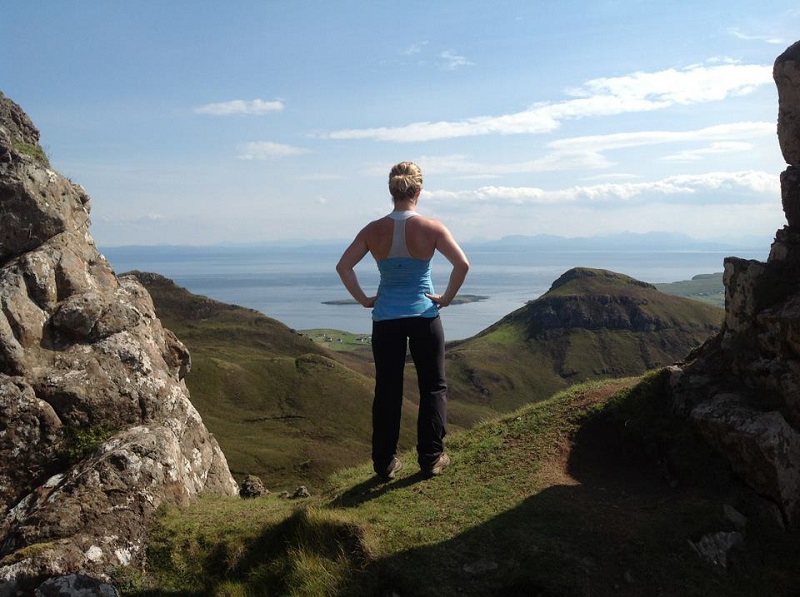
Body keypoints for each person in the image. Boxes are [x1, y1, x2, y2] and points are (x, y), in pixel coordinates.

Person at [336, 161, 470, 480]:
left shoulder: (372, 230)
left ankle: (384, 463)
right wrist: (447, 298)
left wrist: (365, 299)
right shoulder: (432, 228)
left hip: (386, 319)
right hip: (424, 315)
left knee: (388, 390)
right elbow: (462, 265)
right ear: (418, 191)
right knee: (433, 386)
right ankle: (431, 457)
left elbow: (344, 267)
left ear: (391, 190)